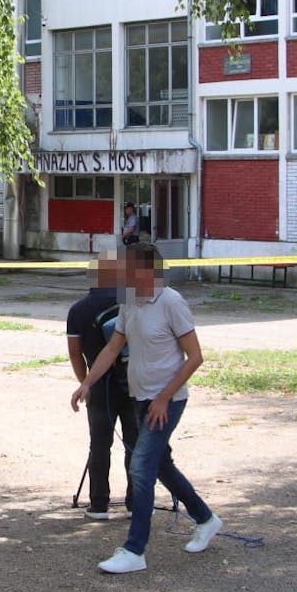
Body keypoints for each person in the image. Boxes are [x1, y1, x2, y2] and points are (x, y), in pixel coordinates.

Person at [71, 242, 222, 574]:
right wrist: (87, 383)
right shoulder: (129, 301)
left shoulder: (171, 302)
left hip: (166, 401)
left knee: (140, 467)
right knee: (161, 466)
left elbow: (195, 357)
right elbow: (112, 348)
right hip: (141, 398)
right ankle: (206, 519)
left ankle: (134, 549)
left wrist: (164, 397)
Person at [66, 247, 138, 520]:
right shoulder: (132, 303)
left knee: (99, 444)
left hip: (99, 386)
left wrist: (85, 381)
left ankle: (98, 505)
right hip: (133, 382)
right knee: (134, 441)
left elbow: (75, 352)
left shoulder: (78, 310)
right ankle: (135, 501)